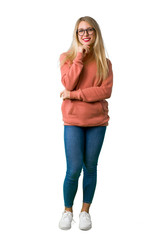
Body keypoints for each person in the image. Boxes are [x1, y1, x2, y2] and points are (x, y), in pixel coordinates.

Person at [59, 16, 113, 230]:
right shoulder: (67, 57)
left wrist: (74, 94)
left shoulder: (104, 62)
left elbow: (105, 91)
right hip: (72, 120)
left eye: (90, 30)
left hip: (97, 122)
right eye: (81, 31)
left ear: (96, 33)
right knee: (73, 169)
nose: (86, 34)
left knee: (90, 167)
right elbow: (68, 82)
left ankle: (85, 212)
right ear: (76, 34)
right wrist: (79, 56)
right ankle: (67, 211)